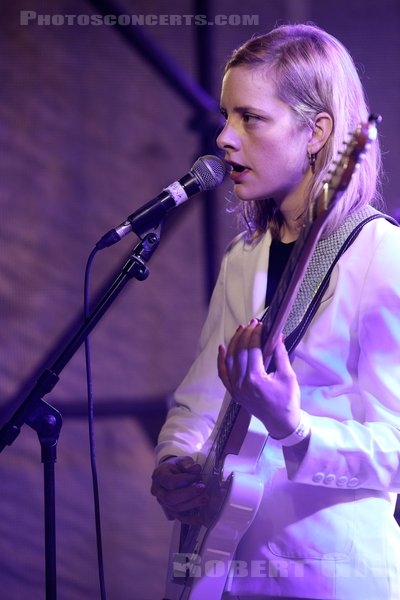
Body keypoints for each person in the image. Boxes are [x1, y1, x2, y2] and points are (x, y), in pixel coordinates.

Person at [150, 23, 400, 600]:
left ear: (317, 133)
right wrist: (175, 464)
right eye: (226, 115)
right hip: (220, 574)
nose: (224, 138)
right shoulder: (244, 258)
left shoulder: (380, 255)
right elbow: (198, 401)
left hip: (326, 576)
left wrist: (294, 426)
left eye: (249, 118)